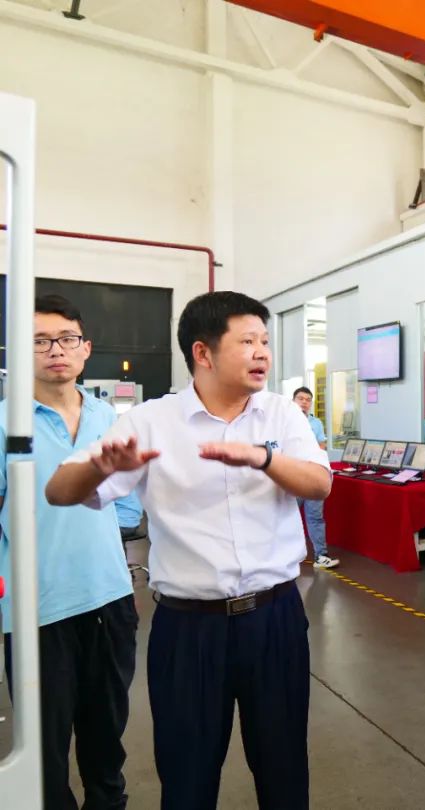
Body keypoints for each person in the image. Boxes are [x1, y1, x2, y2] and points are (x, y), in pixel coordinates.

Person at [46, 291, 332, 810]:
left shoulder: (280, 415)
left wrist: (263, 459)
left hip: (275, 620)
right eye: (247, 341)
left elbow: (319, 483)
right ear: (203, 353)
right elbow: (60, 491)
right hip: (189, 629)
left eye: (265, 341)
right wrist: (98, 468)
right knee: (187, 778)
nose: (262, 353)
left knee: (284, 767)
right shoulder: (151, 422)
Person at [1, 294, 137, 810]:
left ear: (86, 348)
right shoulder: (7, 422)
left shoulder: (109, 416)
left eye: (66, 338)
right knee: (45, 756)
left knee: (107, 744)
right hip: (36, 612)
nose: (55, 349)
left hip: (110, 601)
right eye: (39, 341)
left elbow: (128, 501)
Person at [292, 386, 338, 570]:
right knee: (287, 515)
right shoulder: (285, 420)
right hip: (293, 476)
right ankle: (285, 555)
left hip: (313, 475)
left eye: (308, 399)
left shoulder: (316, 423)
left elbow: (322, 444)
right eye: (300, 398)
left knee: (315, 517)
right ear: (293, 400)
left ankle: (321, 555)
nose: (304, 402)